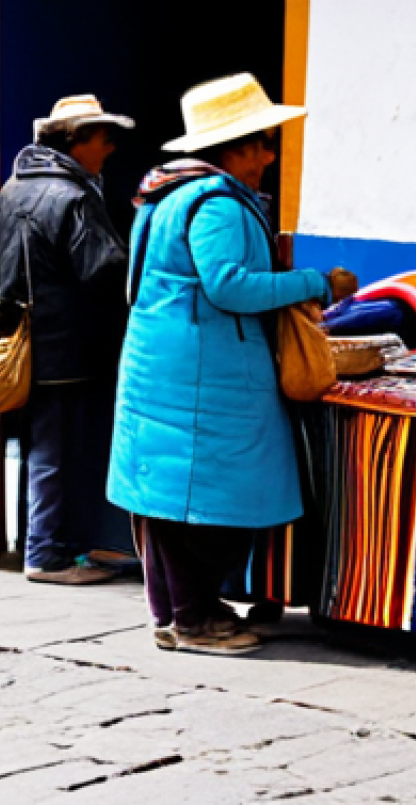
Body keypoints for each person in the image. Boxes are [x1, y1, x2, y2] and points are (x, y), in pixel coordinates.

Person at [107, 73, 358, 655]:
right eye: (261, 144)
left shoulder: (167, 195)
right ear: (234, 147)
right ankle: (196, 621)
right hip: (204, 372)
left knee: (173, 503)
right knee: (214, 503)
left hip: (168, 361)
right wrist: (318, 282)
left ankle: (180, 614)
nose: (269, 156)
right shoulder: (218, 205)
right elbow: (227, 285)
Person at [0, 95, 134, 585]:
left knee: (44, 447)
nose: (110, 147)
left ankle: (51, 543)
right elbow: (103, 268)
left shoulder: (15, 188)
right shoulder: (71, 196)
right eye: (101, 137)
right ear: (74, 141)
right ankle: (48, 553)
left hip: (31, 338)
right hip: (69, 341)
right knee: (57, 449)